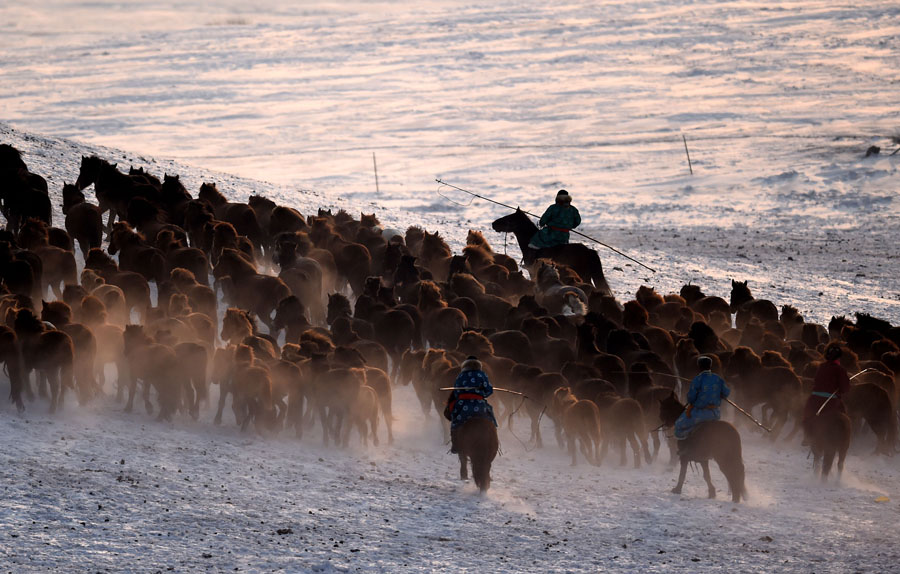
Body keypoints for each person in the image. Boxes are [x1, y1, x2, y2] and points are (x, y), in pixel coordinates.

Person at [444, 355, 497, 453]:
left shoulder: (460, 376)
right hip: (480, 405)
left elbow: (456, 393)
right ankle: (494, 441)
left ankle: (455, 445)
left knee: (455, 421)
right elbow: (489, 391)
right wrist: (482, 393)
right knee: (491, 419)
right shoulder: (482, 375)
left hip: (463, 405)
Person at [802, 343, 851, 445]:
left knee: (807, 416)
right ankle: (843, 441)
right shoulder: (841, 370)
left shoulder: (821, 367)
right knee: (845, 419)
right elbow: (845, 389)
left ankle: (808, 436)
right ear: (839, 358)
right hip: (832, 401)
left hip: (814, 399)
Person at [674, 356, 731, 440]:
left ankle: (686, 444)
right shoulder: (718, 378)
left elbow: (691, 398)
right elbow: (726, 392)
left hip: (699, 413)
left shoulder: (697, 379)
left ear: (699, 366)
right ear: (710, 366)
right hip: (715, 413)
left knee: (678, 425)